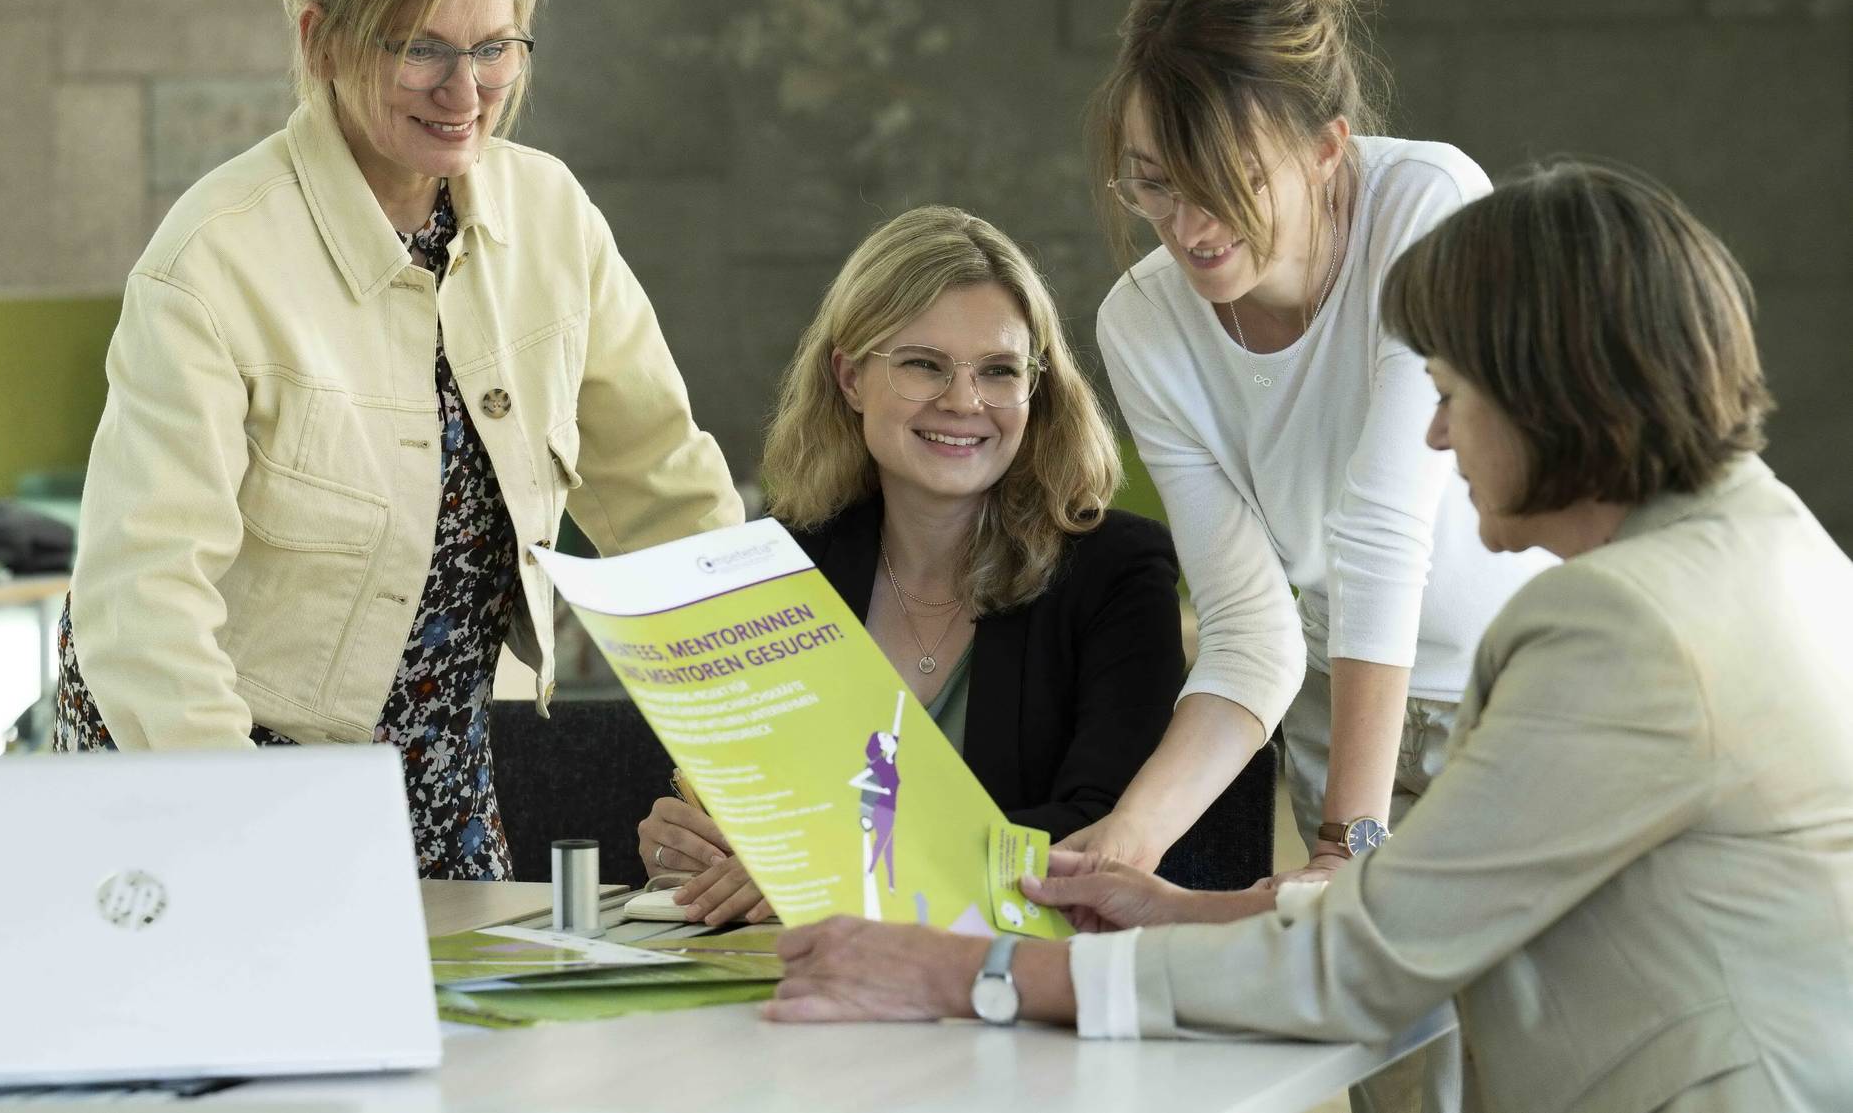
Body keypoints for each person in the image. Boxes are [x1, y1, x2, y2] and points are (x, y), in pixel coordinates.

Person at [764, 162, 1853, 1113]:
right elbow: (1422, 908)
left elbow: (1360, 963)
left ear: (1547, 386)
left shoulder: (1618, 625)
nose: (1436, 432)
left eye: (1449, 390)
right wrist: (1186, 910)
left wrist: (965, 971)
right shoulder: (1785, 549)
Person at [55, 0, 742, 880]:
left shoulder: (550, 216)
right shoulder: (215, 258)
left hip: (437, 770)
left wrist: (755, 760)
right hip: (206, 763)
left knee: (470, 1039)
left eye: (493, 48)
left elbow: (672, 501)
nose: (465, 91)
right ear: (320, 41)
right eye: (422, 48)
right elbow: (142, 599)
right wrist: (235, 837)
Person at [1072, 0, 1550, 898]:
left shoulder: (1425, 204)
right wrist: (1130, 834)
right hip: (1348, 710)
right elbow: (1253, 627)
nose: (1188, 227)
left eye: (1227, 182)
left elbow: (1384, 525)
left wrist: (1349, 836)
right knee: (1383, 1049)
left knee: (1533, 1044)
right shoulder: (1143, 322)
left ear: (1329, 148)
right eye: (1154, 185)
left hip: (1523, 695)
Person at [636, 206, 1187, 924]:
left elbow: (1096, 832)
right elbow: (754, 817)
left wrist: (835, 866)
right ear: (851, 376)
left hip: (1022, 992)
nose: (964, 401)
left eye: (999, 370)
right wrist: (689, 853)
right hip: (794, 985)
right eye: (924, 365)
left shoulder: (1118, 572)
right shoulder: (778, 567)